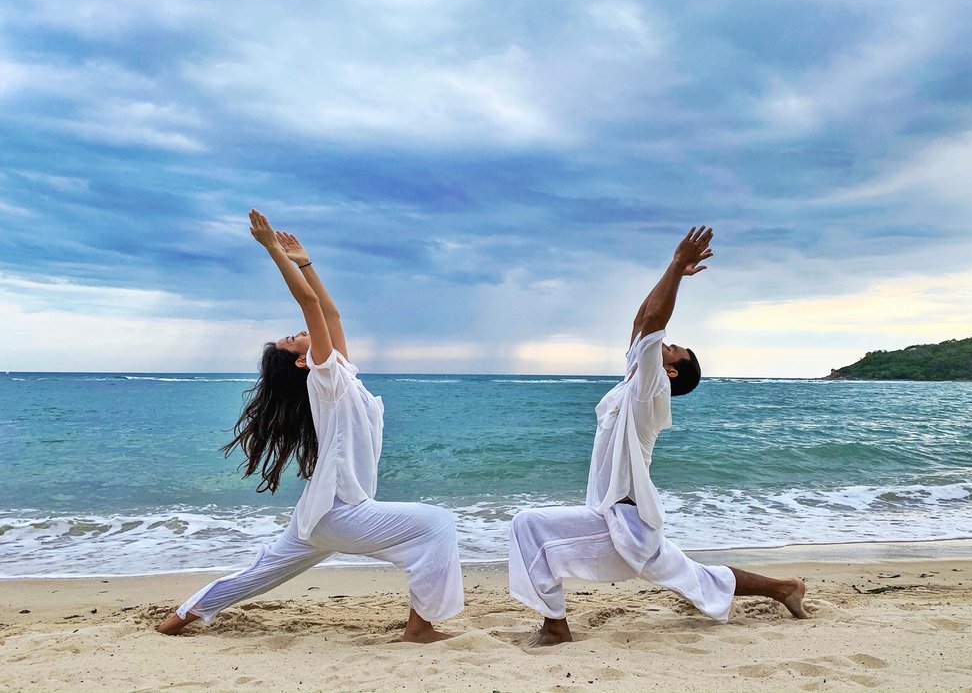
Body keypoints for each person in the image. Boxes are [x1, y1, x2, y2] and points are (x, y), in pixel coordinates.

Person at [157, 210, 463, 642]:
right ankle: (420, 630)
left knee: (259, 573)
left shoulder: (341, 375)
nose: (300, 332)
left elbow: (331, 315)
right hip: (341, 512)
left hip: (321, 515)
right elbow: (312, 305)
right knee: (436, 524)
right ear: (303, 361)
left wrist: (305, 262)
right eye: (292, 338)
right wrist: (272, 251)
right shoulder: (324, 378)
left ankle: (177, 620)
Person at [508, 226, 808, 646]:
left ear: (670, 372)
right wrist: (676, 273)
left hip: (625, 522)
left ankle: (555, 628)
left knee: (529, 526)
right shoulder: (634, 381)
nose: (666, 345)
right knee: (696, 576)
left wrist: (674, 266)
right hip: (622, 521)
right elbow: (640, 320)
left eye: (673, 348)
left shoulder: (653, 390)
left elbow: (652, 321)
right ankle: (784, 588)